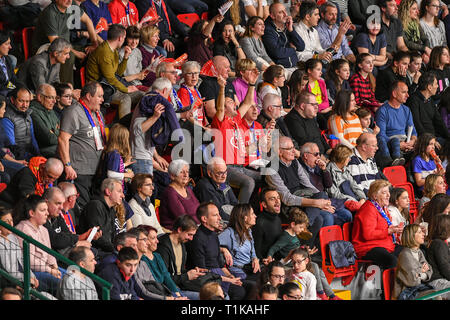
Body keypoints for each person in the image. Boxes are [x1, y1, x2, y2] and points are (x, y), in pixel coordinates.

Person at [265, 136, 334, 248]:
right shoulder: (270, 169)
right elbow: (287, 199)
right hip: (287, 207)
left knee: (322, 196)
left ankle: (304, 245)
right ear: (279, 152)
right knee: (319, 219)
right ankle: (304, 240)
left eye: (293, 147)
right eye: (289, 149)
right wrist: (316, 203)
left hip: (302, 200)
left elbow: (309, 186)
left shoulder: (295, 163)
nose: (294, 151)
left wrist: (323, 202)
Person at [210, 69, 265, 204]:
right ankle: (240, 214)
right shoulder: (220, 122)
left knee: (267, 177)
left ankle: (253, 209)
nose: (235, 103)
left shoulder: (236, 120)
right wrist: (222, 88)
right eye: (230, 102)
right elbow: (220, 109)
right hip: (227, 167)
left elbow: (246, 103)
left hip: (240, 167)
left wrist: (252, 84)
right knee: (249, 182)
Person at [58, 81, 105, 208]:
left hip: (94, 171)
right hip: (78, 172)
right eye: (99, 96)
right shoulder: (74, 112)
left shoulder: (98, 114)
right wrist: (67, 165)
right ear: (89, 96)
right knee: (81, 207)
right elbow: (63, 139)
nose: (102, 100)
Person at [186, 202, 247, 300]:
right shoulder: (197, 238)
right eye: (215, 215)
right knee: (238, 292)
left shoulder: (214, 235)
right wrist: (228, 280)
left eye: (219, 214)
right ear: (204, 219)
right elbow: (203, 270)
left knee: (245, 286)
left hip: (219, 275)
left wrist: (230, 276)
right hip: (207, 280)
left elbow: (220, 264)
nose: (219, 218)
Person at [31, 0, 100, 85]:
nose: (69, 0)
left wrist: (95, 44)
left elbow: (88, 21)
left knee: (96, 51)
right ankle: (66, 90)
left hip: (66, 45)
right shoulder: (50, 13)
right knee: (68, 55)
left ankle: (91, 89)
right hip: (46, 47)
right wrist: (76, 53)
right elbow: (56, 43)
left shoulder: (71, 5)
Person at [86, 23, 144, 119]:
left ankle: (138, 124)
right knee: (125, 98)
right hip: (99, 87)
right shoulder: (104, 52)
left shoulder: (114, 50)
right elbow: (110, 78)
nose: (125, 40)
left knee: (142, 95)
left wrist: (125, 58)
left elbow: (118, 73)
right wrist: (126, 89)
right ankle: (123, 130)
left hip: (110, 85)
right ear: (120, 38)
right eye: (125, 37)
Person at [15, 195, 66, 296]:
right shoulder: (23, 229)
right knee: (65, 283)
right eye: (43, 210)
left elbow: (49, 253)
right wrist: (50, 270)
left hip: (48, 268)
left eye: (47, 210)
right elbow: (30, 261)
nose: (47, 213)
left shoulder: (44, 229)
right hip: (33, 271)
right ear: (31, 213)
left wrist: (54, 267)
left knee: (73, 277)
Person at [129, 77, 177, 176]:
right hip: (140, 159)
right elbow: (137, 130)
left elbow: (148, 133)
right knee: (143, 191)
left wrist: (157, 156)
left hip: (146, 157)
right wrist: (155, 117)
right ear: (164, 90)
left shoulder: (150, 104)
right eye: (169, 94)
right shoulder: (145, 103)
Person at [351, 179, 404, 269]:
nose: (388, 195)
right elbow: (368, 235)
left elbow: (385, 227)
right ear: (375, 196)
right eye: (384, 193)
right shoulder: (368, 209)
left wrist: (394, 229)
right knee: (392, 260)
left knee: (408, 253)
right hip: (367, 247)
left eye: (388, 192)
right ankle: (391, 283)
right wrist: (389, 231)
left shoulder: (383, 208)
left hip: (385, 245)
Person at [131, 225, 193, 300]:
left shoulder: (156, 256)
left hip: (166, 291)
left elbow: (166, 277)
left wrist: (178, 294)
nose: (157, 241)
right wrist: (173, 298)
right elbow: (148, 289)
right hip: (161, 293)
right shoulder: (141, 260)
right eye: (153, 238)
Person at [156, 215, 214, 295]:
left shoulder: (182, 243)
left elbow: (180, 271)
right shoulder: (163, 247)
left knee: (218, 292)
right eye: (189, 234)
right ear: (179, 230)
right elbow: (163, 278)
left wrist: (193, 272)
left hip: (181, 284)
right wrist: (187, 276)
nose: (191, 239)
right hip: (170, 289)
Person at [299, 142, 354, 225]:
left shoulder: (318, 168)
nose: (318, 157)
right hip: (312, 203)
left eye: (319, 154)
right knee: (328, 217)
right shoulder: (300, 169)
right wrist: (322, 205)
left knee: (347, 215)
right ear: (306, 156)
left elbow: (328, 185)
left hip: (325, 200)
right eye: (316, 154)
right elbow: (310, 192)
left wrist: (324, 170)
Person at [43, 187, 100, 257]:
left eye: (62, 204)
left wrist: (85, 236)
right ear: (46, 203)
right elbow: (55, 240)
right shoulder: (40, 219)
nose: (61, 207)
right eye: (58, 203)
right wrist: (77, 243)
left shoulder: (57, 216)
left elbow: (68, 234)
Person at [78, 178, 125, 259]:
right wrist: (115, 249)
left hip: (106, 252)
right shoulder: (95, 206)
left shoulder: (111, 210)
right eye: (119, 191)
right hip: (92, 252)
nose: (123, 195)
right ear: (108, 192)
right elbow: (97, 238)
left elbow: (112, 237)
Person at [375, 80, 418, 167]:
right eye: (404, 92)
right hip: (391, 143)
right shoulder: (383, 110)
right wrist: (399, 145)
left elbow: (413, 131)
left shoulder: (406, 109)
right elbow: (381, 135)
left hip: (406, 143)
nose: (407, 95)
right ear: (394, 94)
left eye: (407, 92)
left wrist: (412, 141)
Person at [218, 204, 260, 289]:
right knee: (256, 286)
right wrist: (223, 249)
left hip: (249, 268)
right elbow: (211, 245)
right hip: (238, 272)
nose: (255, 216)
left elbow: (252, 250)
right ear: (245, 218)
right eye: (252, 214)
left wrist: (255, 258)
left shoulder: (248, 231)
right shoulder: (229, 233)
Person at [0, 209, 39, 290]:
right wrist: (26, 278)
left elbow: (22, 260)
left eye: (11, 220)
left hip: (21, 276)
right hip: (8, 281)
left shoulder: (13, 237)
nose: (11, 224)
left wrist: (32, 276)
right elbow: (9, 269)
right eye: (6, 221)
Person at [392, 224, 433, 300]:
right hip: (406, 293)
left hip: (416, 289)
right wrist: (422, 271)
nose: (423, 234)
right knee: (435, 295)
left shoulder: (419, 252)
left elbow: (430, 270)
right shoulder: (405, 254)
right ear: (411, 236)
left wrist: (419, 273)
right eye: (420, 232)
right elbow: (413, 281)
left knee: (436, 294)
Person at [284, 91, 331, 157]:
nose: (316, 107)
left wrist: (329, 149)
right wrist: (321, 157)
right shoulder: (292, 119)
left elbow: (319, 136)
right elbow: (304, 144)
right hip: (313, 157)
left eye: (317, 104)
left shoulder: (309, 115)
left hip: (323, 154)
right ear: (302, 106)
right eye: (313, 105)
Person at [407, 72, 449, 143]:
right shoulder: (414, 100)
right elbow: (417, 123)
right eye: (436, 84)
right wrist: (430, 140)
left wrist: (448, 137)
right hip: (423, 139)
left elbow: (439, 122)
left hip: (433, 137)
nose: (438, 86)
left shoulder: (430, 100)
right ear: (429, 87)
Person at [159, 159, 200, 231]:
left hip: (194, 227)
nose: (186, 175)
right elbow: (182, 218)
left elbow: (199, 209)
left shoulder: (188, 189)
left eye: (187, 172)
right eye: (181, 172)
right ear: (172, 176)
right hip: (179, 230)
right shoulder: (170, 193)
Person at [262, 2, 305, 71]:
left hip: (295, 67)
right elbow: (277, 53)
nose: (285, 14)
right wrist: (293, 49)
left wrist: (291, 30)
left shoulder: (287, 25)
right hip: (281, 69)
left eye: (285, 10)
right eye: (280, 12)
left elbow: (301, 46)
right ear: (273, 16)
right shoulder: (267, 30)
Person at [94, 123, 135, 196]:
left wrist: (124, 164)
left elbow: (113, 167)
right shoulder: (114, 154)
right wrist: (127, 175)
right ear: (122, 139)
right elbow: (111, 174)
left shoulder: (113, 152)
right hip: (110, 190)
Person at [194, 157, 238, 222]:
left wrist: (240, 215)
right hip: (218, 221)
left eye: (225, 172)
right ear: (209, 173)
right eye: (220, 173)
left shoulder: (223, 183)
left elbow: (234, 202)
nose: (224, 176)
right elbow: (218, 212)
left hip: (230, 217)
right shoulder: (205, 186)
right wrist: (235, 220)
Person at [326, 144, 367, 212]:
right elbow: (334, 193)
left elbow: (354, 185)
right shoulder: (329, 170)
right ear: (342, 157)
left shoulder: (345, 169)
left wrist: (362, 198)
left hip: (353, 199)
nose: (350, 159)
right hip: (341, 202)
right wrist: (353, 200)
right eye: (348, 157)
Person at [3, 87, 40, 161]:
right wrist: (29, 158)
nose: (25, 105)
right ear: (12, 100)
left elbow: (33, 140)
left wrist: (38, 155)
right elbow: (11, 146)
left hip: (29, 155)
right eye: (21, 101)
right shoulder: (7, 118)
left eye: (27, 101)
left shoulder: (28, 115)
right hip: (17, 158)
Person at [198, 55, 238, 122]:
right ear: (216, 68)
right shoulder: (207, 84)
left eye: (229, 67)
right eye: (226, 67)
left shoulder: (229, 83)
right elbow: (210, 112)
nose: (229, 70)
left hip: (231, 123)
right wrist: (225, 124)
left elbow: (237, 105)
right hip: (216, 126)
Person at [252, 188, 284, 262]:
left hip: (279, 260)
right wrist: (265, 261)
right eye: (272, 199)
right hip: (266, 263)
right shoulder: (259, 223)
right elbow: (256, 252)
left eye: (278, 198)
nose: (277, 201)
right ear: (264, 204)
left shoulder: (278, 218)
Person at [28, 84, 59, 158]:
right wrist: (58, 132)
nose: (54, 101)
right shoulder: (33, 112)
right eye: (51, 97)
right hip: (44, 151)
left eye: (55, 98)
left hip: (55, 146)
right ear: (39, 97)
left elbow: (62, 129)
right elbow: (49, 139)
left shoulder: (50, 110)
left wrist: (54, 132)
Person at [426, 213, 450, 299]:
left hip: (443, 280)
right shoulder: (438, 244)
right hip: (437, 282)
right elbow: (445, 268)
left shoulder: (439, 242)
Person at [177, 60, 207, 128]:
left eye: (196, 73)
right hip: (190, 128)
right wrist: (204, 128)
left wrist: (207, 124)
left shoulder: (197, 90)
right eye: (190, 73)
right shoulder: (183, 91)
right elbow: (186, 115)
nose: (194, 76)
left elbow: (201, 112)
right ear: (184, 75)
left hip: (198, 126)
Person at [118, 26, 149, 90]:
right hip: (127, 86)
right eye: (131, 38)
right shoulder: (120, 53)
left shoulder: (138, 52)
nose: (134, 42)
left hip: (138, 84)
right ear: (126, 38)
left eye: (136, 39)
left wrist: (151, 66)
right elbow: (118, 79)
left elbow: (140, 73)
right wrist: (137, 76)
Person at [0, 31, 24, 97]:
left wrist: (24, 89)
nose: (10, 47)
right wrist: (14, 92)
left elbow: (14, 78)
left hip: (8, 90)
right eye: (7, 44)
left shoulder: (6, 59)